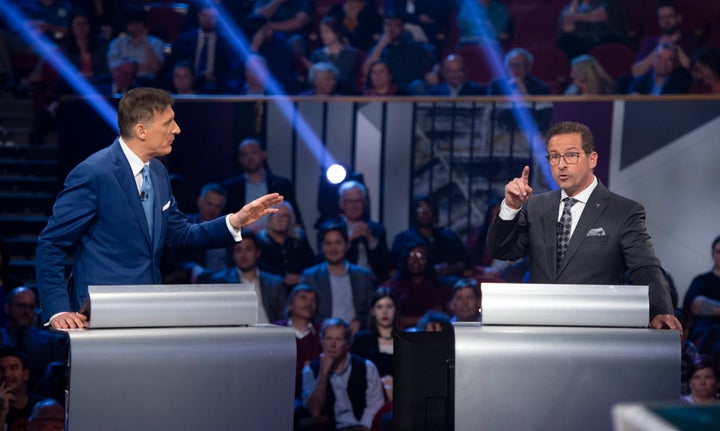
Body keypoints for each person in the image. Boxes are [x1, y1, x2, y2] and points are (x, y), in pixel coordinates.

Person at [35, 87, 283, 329]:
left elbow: (180, 234)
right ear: (141, 130)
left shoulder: (158, 172)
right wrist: (57, 309)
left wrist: (236, 220)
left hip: (148, 309)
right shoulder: (94, 173)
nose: (177, 129)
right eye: (168, 123)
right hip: (98, 316)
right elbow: (51, 244)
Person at [487, 121, 681, 331]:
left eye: (571, 155)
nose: (561, 164)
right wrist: (510, 207)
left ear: (592, 159)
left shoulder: (623, 211)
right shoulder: (535, 206)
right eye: (554, 156)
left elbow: (644, 266)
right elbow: (502, 250)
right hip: (541, 329)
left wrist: (660, 310)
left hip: (597, 331)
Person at [302, 318, 385, 430]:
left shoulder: (367, 367)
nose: (332, 344)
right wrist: (323, 374)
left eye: (338, 339)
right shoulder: (310, 371)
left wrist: (364, 427)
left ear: (347, 344)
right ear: (322, 341)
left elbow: (375, 405)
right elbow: (314, 411)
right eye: (328, 338)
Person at [301, 222, 375, 334]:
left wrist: (360, 322)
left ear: (347, 245)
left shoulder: (363, 275)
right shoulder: (310, 276)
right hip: (321, 336)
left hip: (357, 335)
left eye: (338, 243)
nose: (333, 248)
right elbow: (303, 312)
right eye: (328, 243)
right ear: (322, 247)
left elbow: (372, 310)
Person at [222, 137, 304, 231]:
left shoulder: (282, 185)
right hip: (242, 238)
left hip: (275, 236)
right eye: (245, 154)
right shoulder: (230, 187)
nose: (250, 158)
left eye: (253, 152)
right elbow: (226, 219)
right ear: (239, 159)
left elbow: (295, 217)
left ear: (263, 154)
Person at [209, 230, 287, 323]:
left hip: (270, 332)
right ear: (233, 255)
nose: (243, 255)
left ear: (258, 253)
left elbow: (283, 318)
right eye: (238, 250)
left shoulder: (275, 283)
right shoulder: (221, 281)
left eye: (248, 249)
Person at [0, 288, 67, 394]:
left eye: (30, 307)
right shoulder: (1, 337)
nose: (26, 312)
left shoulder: (49, 341)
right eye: (21, 306)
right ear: (7, 308)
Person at [325, 180, 392, 282]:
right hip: (340, 280)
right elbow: (322, 260)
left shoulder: (377, 229)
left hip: (371, 282)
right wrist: (348, 241)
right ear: (341, 204)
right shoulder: (330, 228)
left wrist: (371, 240)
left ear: (364, 203)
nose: (354, 206)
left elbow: (386, 265)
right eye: (350, 201)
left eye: (358, 201)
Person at [391, 195, 469, 278]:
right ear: (414, 212)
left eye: (429, 209)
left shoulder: (449, 236)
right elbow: (395, 268)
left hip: (448, 282)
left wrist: (451, 268)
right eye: (420, 209)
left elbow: (466, 262)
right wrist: (430, 269)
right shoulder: (403, 239)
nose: (425, 213)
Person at [363, 10, 438, 94]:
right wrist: (381, 45)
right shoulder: (377, 50)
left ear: (402, 28)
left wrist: (434, 73)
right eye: (388, 25)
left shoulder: (415, 47)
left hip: (411, 89)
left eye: (396, 25)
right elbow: (366, 71)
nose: (391, 29)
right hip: (388, 90)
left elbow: (436, 64)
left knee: (418, 85)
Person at [167, 4, 234, 94]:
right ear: (198, 16)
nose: (208, 20)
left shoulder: (225, 41)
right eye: (204, 16)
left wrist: (216, 76)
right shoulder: (184, 39)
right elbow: (172, 63)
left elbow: (229, 69)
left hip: (215, 84)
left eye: (212, 16)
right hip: (188, 81)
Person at [272, 284, 322, 402]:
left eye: (313, 300)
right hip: (278, 392)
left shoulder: (321, 333)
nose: (309, 303)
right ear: (290, 305)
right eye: (303, 298)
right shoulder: (275, 330)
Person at [382, 242, 450, 328]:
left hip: (435, 334)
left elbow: (450, 314)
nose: (415, 261)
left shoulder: (439, 285)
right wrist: (424, 319)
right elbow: (388, 318)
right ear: (405, 259)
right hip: (402, 335)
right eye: (411, 256)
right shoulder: (392, 286)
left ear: (427, 260)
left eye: (420, 256)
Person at [631, 1, 700, 78]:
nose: (666, 21)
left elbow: (697, 72)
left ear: (679, 18)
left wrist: (676, 48)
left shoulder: (691, 41)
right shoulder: (650, 42)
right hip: (652, 86)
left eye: (670, 16)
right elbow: (635, 72)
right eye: (662, 18)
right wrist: (657, 51)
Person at [352, 287, 398, 399]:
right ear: (373, 311)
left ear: (395, 310)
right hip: (371, 396)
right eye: (380, 307)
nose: (385, 311)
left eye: (389, 306)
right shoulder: (361, 340)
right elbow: (356, 375)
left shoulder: (406, 340)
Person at [256, 201, 316, 288]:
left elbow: (311, 264)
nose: (280, 219)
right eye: (275, 214)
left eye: (285, 216)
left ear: (290, 220)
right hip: (270, 288)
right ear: (269, 218)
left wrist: (301, 277)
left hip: (299, 286)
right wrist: (282, 279)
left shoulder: (299, 239)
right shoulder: (259, 241)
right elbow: (259, 269)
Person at [106, 9, 165, 87]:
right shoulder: (116, 43)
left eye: (138, 23)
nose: (135, 27)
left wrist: (145, 42)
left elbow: (156, 68)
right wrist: (144, 67)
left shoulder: (157, 43)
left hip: (147, 83)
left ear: (143, 23)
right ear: (126, 26)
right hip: (123, 82)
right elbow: (113, 69)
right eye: (131, 24)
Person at [683, 235, 720, 356]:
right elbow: (696, 306)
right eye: (719, 251)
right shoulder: (701, 280)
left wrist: (710, 306)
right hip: (704, 332)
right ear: (713, 254)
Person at [307, 16, 362, 95]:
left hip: (343, 93)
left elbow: (339, 76)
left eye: (327, 31)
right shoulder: (316, 54)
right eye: (321, 32)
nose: (323, 35)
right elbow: (314, 78)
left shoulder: (351, 54)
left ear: (337, 33)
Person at [0, 347, 49, 430]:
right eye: (0, 369)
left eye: (13, 368)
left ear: (26, 374)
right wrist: (2, 411)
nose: (6, 374)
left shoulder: (45, 406)